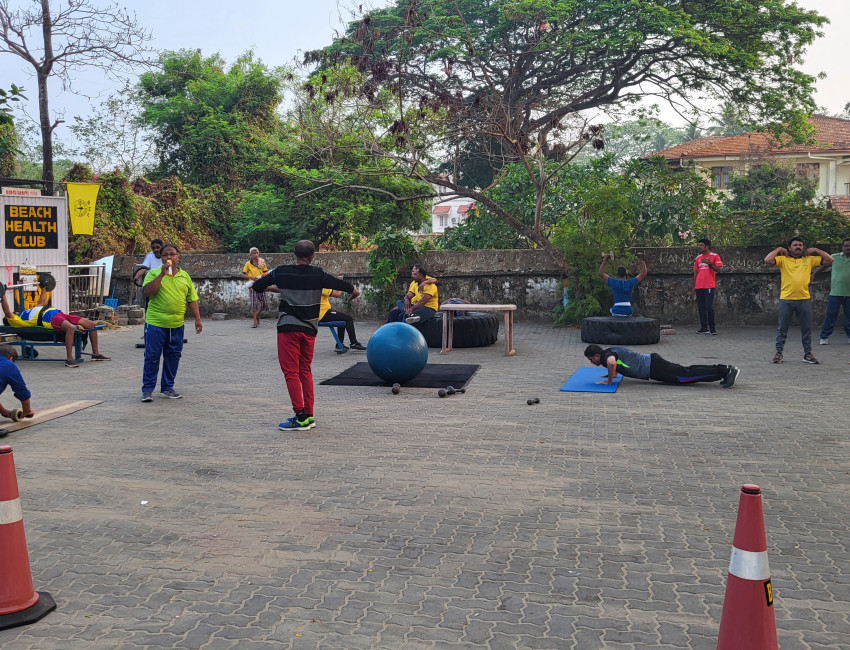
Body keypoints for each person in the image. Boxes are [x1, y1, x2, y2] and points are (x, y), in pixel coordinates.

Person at [251, 240, 360, 431]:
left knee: (291, 372)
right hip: (309, 330)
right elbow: (341, 284)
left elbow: (258, 286)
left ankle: (299, 416)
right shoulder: (318, 275)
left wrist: (275, 287)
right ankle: (309, 415)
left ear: (294, 254)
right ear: (312, 256)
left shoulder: (281, 272)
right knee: (305, 370)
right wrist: (353, 291)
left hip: (288, 329)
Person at [141, 243, 202, 401]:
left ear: (178, 257)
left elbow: (192, 299)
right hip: (156, 323)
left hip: (176, 325)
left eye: (172, 254)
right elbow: (148, 292)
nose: (169, 257)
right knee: (152, 356)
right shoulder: (153, 273)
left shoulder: (184, 276)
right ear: (161, 258)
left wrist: (197, 318)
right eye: (165, 255)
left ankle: (167, 387)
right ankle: (147, 390)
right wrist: (161, 275)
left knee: (173, 356)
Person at [765, 238, 833, 364]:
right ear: (789, 247)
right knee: (782, 328)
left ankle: (808, 354)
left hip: (804, 298)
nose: (798, 247)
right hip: (786, 299)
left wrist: (816, 250)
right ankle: (779, 353)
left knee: (806, 328)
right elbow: (767, 260)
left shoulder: (809, 259)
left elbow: (830, 260)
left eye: (800, 245)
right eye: (795, 245)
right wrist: (779, 249)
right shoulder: (783, 260)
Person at [1, 290, 111, 368]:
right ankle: (69, 359)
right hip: (49, 318)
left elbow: (41, 302)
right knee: (70, 328)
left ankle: (95, 354)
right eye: (12, 313)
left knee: (91, 324)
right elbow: (6, 311)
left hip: (59, 313)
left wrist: (44, 287)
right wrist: (3, 295)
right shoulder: (15, 320)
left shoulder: (27, 311)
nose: (14, 312)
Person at [584, 344, 740, 388]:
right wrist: (612, 373)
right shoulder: (608, 351)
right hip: (652, 363)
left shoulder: (606, 357)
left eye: (592, 359)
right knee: (686, 373)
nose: (592, 362)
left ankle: (726, 370)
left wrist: (609, 381)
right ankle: (723, 370)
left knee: (685, 376)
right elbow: (616, 363)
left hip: (653, 366)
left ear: (597, 356)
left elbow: (612, 362)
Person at [817, 237, 850, 345]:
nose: (848, 248)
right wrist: (813, 275)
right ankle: (824, 337)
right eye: (846, 245)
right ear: (842, 247)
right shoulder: (834, 257)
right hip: (835, 292)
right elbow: (823, 266)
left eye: (849, 246)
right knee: (830, 315)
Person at [319, 279, 366, 351]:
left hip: (320, 312)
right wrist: (341, 283)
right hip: (323, 313)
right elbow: (337, 294)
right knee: (348, 318)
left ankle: (339, 344)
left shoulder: (313, 285)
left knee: (342, 317)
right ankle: (353, 343)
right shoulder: (320, 286)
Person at [598, 252, 647, 316]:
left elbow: (601, 273)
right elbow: (644, 273)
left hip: (616, 310)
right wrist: (641, 259)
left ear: (617, 275)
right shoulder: (630, 283)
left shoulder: (613, 282)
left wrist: (605, 260)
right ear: (626, 274)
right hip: (628, 310)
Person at [693, 238, 723, 335]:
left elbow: (719, 269)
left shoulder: (714, 256)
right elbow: (695, 272)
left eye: (701, 245)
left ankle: (712, 328)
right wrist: (694, 285)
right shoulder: (698, 258)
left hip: (709, 285)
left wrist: (709, 264)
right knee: (701, 307)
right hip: (699, 286)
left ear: (707, 246)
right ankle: (703, 327)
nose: (699, 247)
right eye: (699, 245)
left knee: (709, 306)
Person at [0, 344, 34, 420]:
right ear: (11, 359)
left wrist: (4, 412)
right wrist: (27, 411)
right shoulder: (9, 365)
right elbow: (21, 391)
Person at [241, 247, 270, 328]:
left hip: (262, 285)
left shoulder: (262, 262)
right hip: (253, 286)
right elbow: (243, 274)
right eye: (253, 253)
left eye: (257, 253)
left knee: (264, 305)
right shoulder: (248, 264)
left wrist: (263, 277)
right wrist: (251, 277)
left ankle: (257, 315)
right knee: (254, 304)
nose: (255, 255)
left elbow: (266, 272)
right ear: (250, 255)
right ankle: (255, 322)